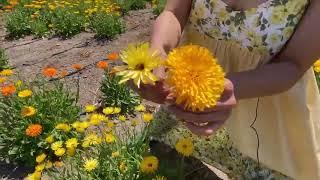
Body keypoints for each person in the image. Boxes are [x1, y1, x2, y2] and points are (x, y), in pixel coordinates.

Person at [134, 0, 320, 179]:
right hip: (191, 100)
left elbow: (293, 64)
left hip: (265, 118)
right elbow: (173, 12)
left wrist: (223, 87)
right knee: (178, 164)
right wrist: (158, 50)